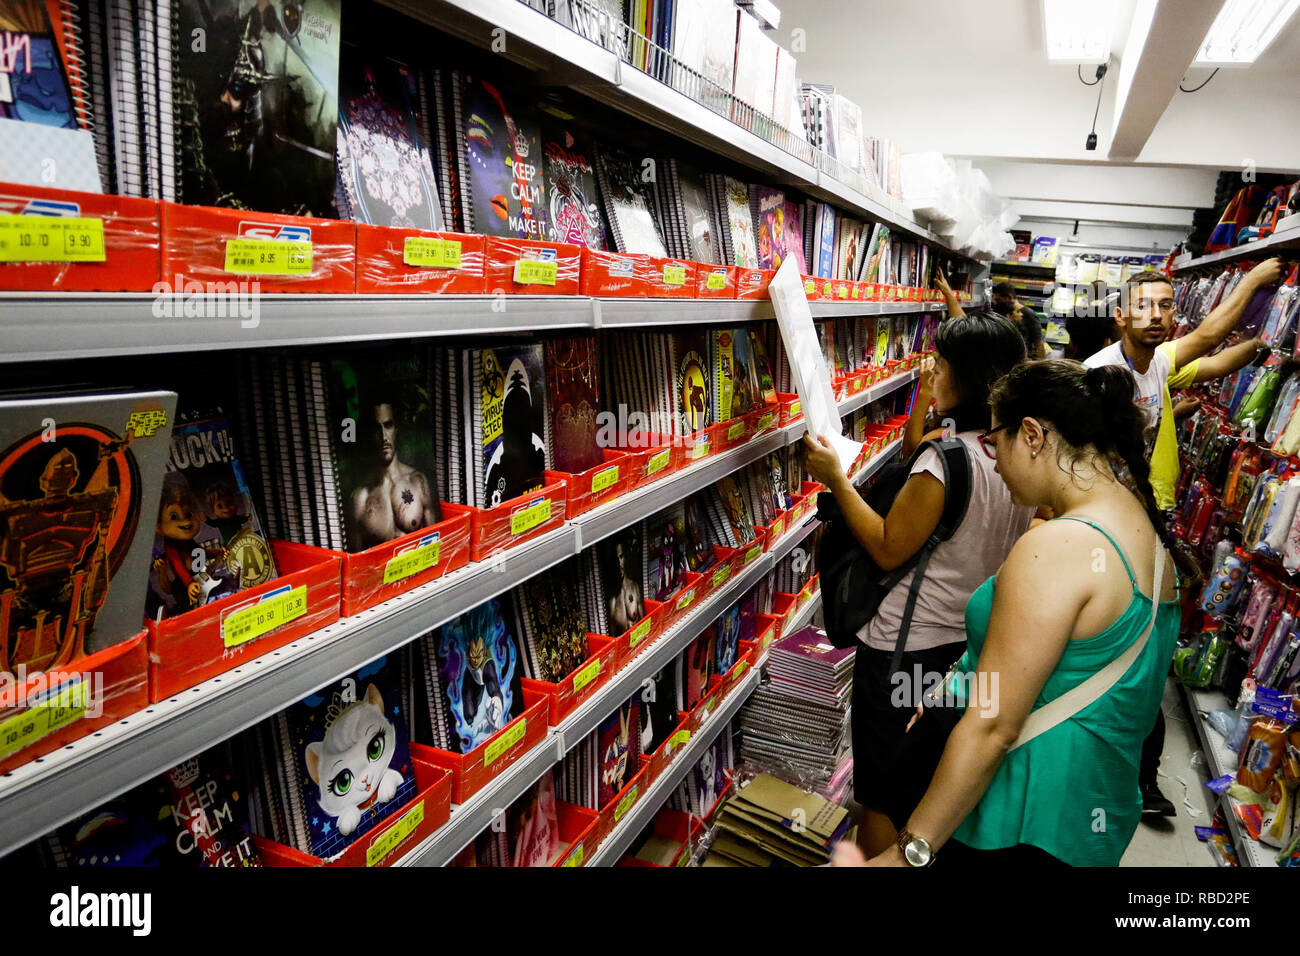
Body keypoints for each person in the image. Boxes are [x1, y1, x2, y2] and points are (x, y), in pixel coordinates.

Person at [833, 361, 1197, 868]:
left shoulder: (1058, 545)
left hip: (1019, 818)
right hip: (1091, 815)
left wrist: (909, 851)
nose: (995, 461)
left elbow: (994, 728)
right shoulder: (1148, 537)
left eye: (996, 440)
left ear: (1031, 435)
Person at [802, 311, 1032, 859]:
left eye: (942, 363)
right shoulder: (1012, 456)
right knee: (929, 783)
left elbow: (887, 545)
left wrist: (836, 479)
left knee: (884, 793)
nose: (932, 371)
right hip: (965, 649)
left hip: (904, 652)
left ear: (967, 375)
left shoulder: (943, 459)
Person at [1083, 260, 1280, 815]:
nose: (1157, 316)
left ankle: (1138, 778)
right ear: (1120, 315)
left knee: (1144, 643)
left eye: (1166, 306)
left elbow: (1214, 343)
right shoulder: (1103, 373)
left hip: (1143, 515)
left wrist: (1270, 347)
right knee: (1123, 637)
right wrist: (1252, 281)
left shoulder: (1157, 362)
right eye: (1144, 305)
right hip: (1111, 521)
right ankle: (1121, 772)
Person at [348, 397, 438, 549]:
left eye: (388, 425)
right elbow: (357, 566)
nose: (384, 436)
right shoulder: (361, 498)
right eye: (377, 428)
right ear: (370, 434)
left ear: (396, 429)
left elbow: (437, 546)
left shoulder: (417, 482)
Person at [992, 281, 1048, 358]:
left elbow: (1038, 343)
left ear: (1009, 297)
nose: (995, 303)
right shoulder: (1001, 312)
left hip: (1023, 359)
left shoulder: (1028, 314)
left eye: (998, 300)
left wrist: (1041, 365)